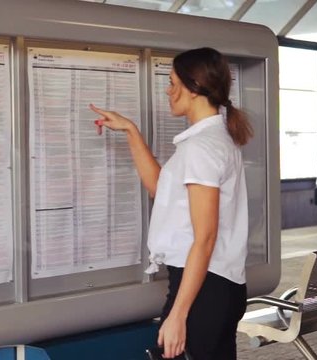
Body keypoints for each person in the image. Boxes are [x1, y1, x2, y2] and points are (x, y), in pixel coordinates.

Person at [90, 47, 252, 360]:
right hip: (218, 286)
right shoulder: (213, 140)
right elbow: (161, 188)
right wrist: (131, 132)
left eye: (173, 83)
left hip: (203, 289)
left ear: (194, 89)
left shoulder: (201, 148)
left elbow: (204, 238)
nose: (168, 90)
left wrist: (178, 314)